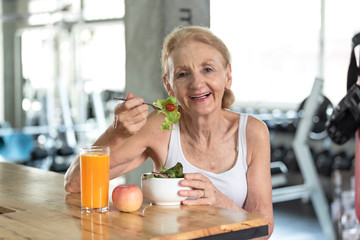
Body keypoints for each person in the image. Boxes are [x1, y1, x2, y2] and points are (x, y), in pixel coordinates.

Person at [64, 25, 274, 237]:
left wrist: (218, 200)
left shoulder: (252, 132)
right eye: (183, 74)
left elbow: (264, 230)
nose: (197, 83)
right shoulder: (159, 127)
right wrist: (116, 133)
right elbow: (74, 183)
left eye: (207, 69)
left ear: (227, 76)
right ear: (169, 85)